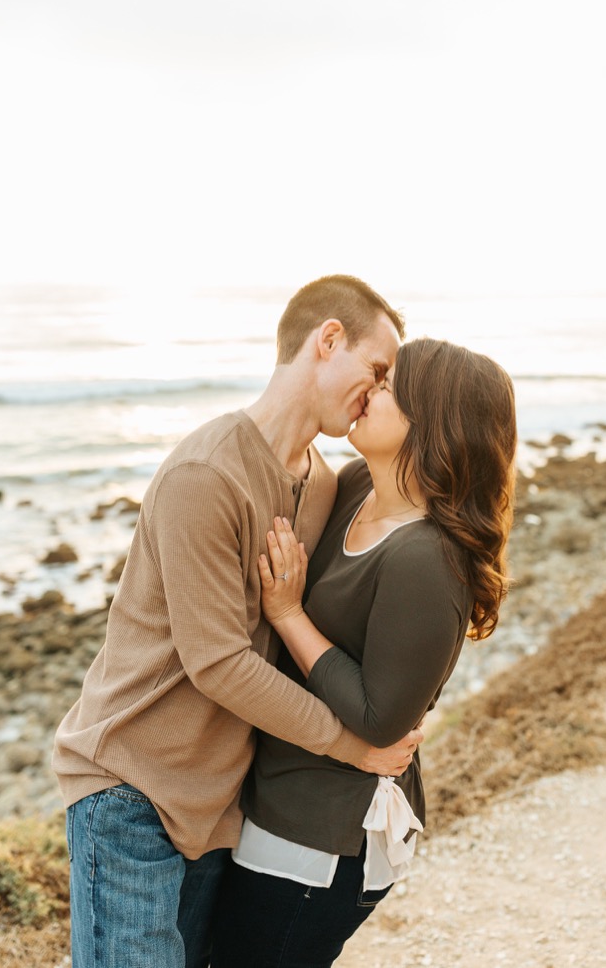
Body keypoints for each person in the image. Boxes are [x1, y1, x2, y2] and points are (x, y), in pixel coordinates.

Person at [53, 275, 425, 968]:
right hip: (132, 787)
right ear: (328, 340)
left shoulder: (321, 483)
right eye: (377, 370)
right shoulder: (206, 474)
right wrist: (352, 746)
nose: (378, 392)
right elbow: (219, 661)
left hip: (220, 804)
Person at [209, 337, 518, 966]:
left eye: (389, 387)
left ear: (433, 424)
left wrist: (290, 615)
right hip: (274, 796)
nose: (369, 391)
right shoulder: (352, 486)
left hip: (325, 833)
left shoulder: (429, 557)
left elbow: (382, 720)